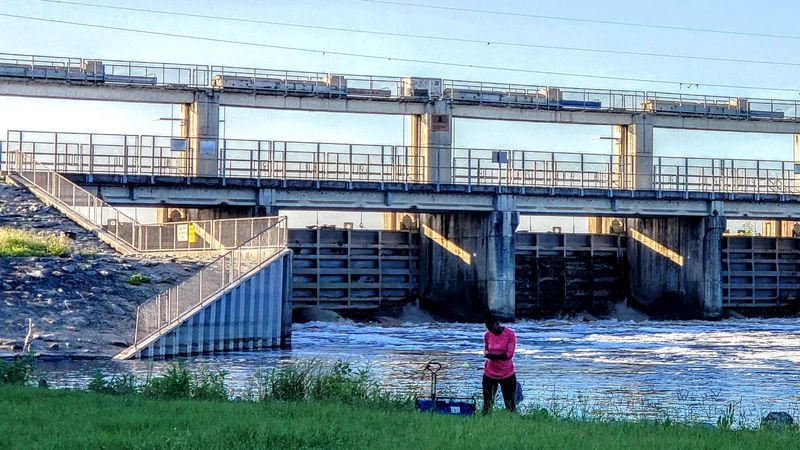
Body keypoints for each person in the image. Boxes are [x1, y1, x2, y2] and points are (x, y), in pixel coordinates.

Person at [482, 312, 517, 414]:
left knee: (510, 405)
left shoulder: (510, 334)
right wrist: (487, 353)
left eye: (492, 327)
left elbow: (509, 355)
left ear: (497, 324)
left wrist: (493, 356)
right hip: (490, 373)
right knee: (487, 405)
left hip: (506, 374)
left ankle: (512, 423)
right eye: (488, 328)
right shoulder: (487, 335)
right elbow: (486, 349)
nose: (491, 330)